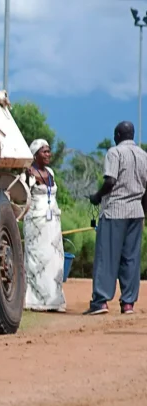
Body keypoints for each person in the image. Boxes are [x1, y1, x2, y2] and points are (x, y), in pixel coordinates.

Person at [86, 121, 147, 315]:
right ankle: (128, 303)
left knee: (107, 257)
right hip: (136, 213)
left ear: (118, 135)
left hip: (115, 211)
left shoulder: (115, 153)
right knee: (131, 259)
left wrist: (97, 196)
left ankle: (101, 301)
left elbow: (110, 180)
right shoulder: (144, 155)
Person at [21, 139, 66, 313]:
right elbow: (20, 195)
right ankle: (36, 301)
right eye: (44, 151)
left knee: (55, 259)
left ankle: (54, 300)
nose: (48, 154)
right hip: (36, 222)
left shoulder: (51, 173)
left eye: (49, 151)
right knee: (37, 259)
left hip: (53, 221)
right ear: (35, 154)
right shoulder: (28, 174)